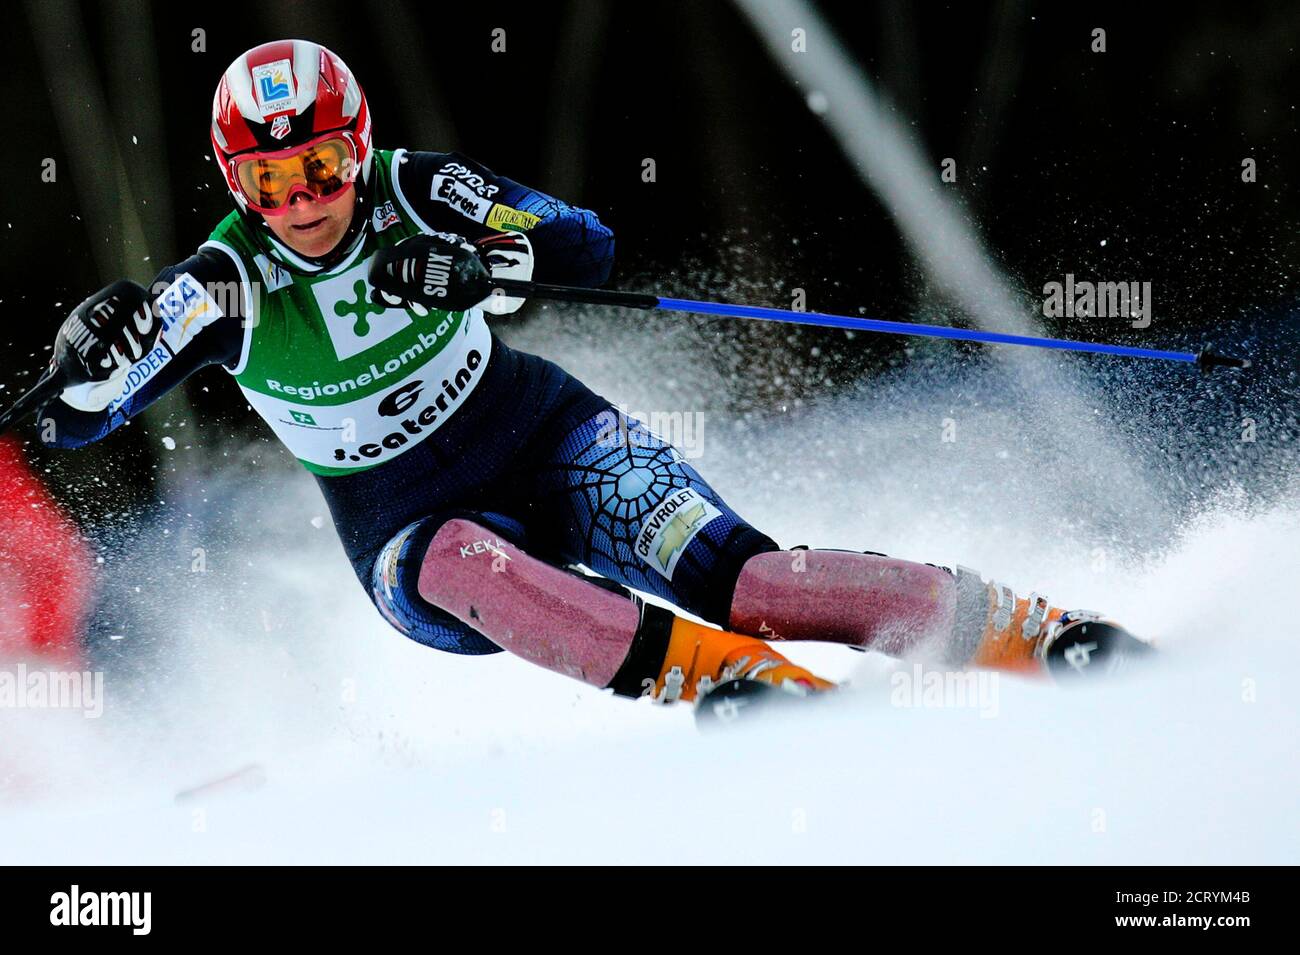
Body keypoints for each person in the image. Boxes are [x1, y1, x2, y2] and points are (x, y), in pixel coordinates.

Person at [36, 40, 1145, 717]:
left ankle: (1024, 631)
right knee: (476, 558)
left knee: (752, 585)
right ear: (237, 183)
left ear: (358, 145)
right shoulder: (221, 284)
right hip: (410, 534)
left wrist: (480, 263)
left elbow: (582, 242)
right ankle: (745, 691)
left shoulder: (415, 189)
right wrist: (87, 356)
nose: (305, 201)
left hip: (543, 437)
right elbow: (86, 415)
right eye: (270, 180)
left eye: (323, 165)